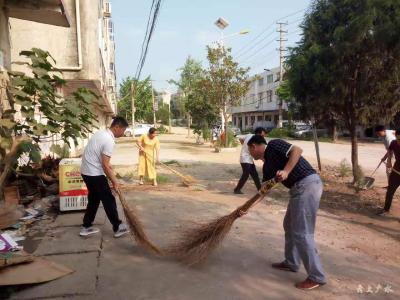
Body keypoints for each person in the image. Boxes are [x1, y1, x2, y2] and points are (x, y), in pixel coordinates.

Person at [247, 135, 326, 290]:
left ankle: (317, 276)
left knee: (302, 232)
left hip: (307, 184)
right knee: (289, 225)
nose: (251, 154)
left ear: (254, 147)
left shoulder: (274, 145)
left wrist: (286, 171)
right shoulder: (267, 167)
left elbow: (297, 150)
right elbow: (263, 191)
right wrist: (247, 208)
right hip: (299, 190)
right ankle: (291, 262)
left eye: (250, 151)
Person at [80, 116, 129, 238]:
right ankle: (117, 227)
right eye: (123, 130)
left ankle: (86, 226)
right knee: (108, 199)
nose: (123, 133)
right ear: (116, 127)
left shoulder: (101, 133)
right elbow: (105, 165)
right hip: (94, 173)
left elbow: (101, 159)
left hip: (86, 172)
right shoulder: (109, 140)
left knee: (94, 199)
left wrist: (109, 169)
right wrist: (115, 182)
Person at [233, 127, 266, 194]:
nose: (263, 137)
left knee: (254, 174)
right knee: (246, 174)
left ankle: (260, 189)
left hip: (249, 159)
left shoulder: (249, 135)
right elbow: (258, 153)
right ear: (258, 133)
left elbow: (241, 138)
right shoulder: (255, 140)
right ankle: (237, 189)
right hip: (245, 158)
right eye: (262, 135)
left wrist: (244, 145)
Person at [377, 128, 400, 216]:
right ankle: (386, 210)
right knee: (390, 191)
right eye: (397, 139)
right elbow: (390, 150)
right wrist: (389, 161)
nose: (398, 141)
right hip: (396, 172)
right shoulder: (394, 143)